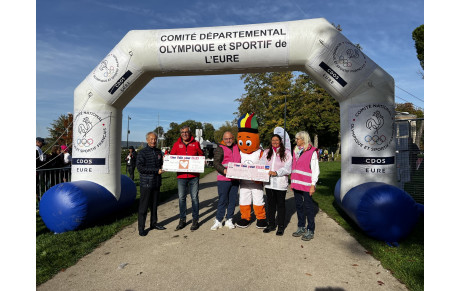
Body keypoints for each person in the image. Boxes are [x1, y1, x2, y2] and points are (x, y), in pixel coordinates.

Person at [170, 126, 204, 231]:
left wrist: (202, 160)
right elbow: (171, 157)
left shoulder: (196, 143)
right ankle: (182, 219)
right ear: (180, 134)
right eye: (182, 132)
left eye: (186, 132)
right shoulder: (176, 144)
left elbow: (201, 155)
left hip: (194, 176)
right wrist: (167, 160)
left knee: (194, 198)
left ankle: (195, 220)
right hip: (181, 176)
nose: (185, 134)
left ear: (190, 133)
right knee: (181, 198)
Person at [291, 131, 320, 241]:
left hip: (307, 184)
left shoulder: (312, 151)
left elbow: (315, 169)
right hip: (297, 183)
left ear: (304, 139)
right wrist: (292, 182)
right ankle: (301, 226)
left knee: (308, 207)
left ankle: (310, 229)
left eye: (297, 139)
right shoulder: (296, 151)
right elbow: (295, 167)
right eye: (296, 139)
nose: (296, 140)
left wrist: (313, 184)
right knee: (299, 206)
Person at [261, 134, 292, 236]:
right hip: (269, 183)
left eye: (277, 140)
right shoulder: (266, 152)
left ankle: (281, 226)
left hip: (280, 183)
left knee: (281, 205)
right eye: (273, 140)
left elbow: (288, 167)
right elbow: (261, 164)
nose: (275, 142)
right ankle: (271, 224)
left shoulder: (286, 153)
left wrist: (277, 172)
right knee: (271, 204)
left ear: (280, 141)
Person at [136, 132, 166, 236]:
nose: (153, 141)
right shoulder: (142, 153)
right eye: (151, 139)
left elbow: (161, 164)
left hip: (156, 183)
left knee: (154, 206)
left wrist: (166, 164)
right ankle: (141, 228)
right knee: (143, 207)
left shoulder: (158, 152)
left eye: (155, 139)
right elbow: (140, 168)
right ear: (147, 140)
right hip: (146, 184)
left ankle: (153, 223)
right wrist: (156, 170)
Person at [211, 131, 241, 230]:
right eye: (226, 139)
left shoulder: (238, 147)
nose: (228, 140)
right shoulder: (220, 148)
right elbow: (216, 162)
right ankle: (218, 220)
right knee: (223, 200)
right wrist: (223, 170)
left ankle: (229, 219)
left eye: (230, 138)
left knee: (232, 200)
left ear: (233, 138)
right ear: (223, 140)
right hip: (223, 179)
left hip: (235, 178)